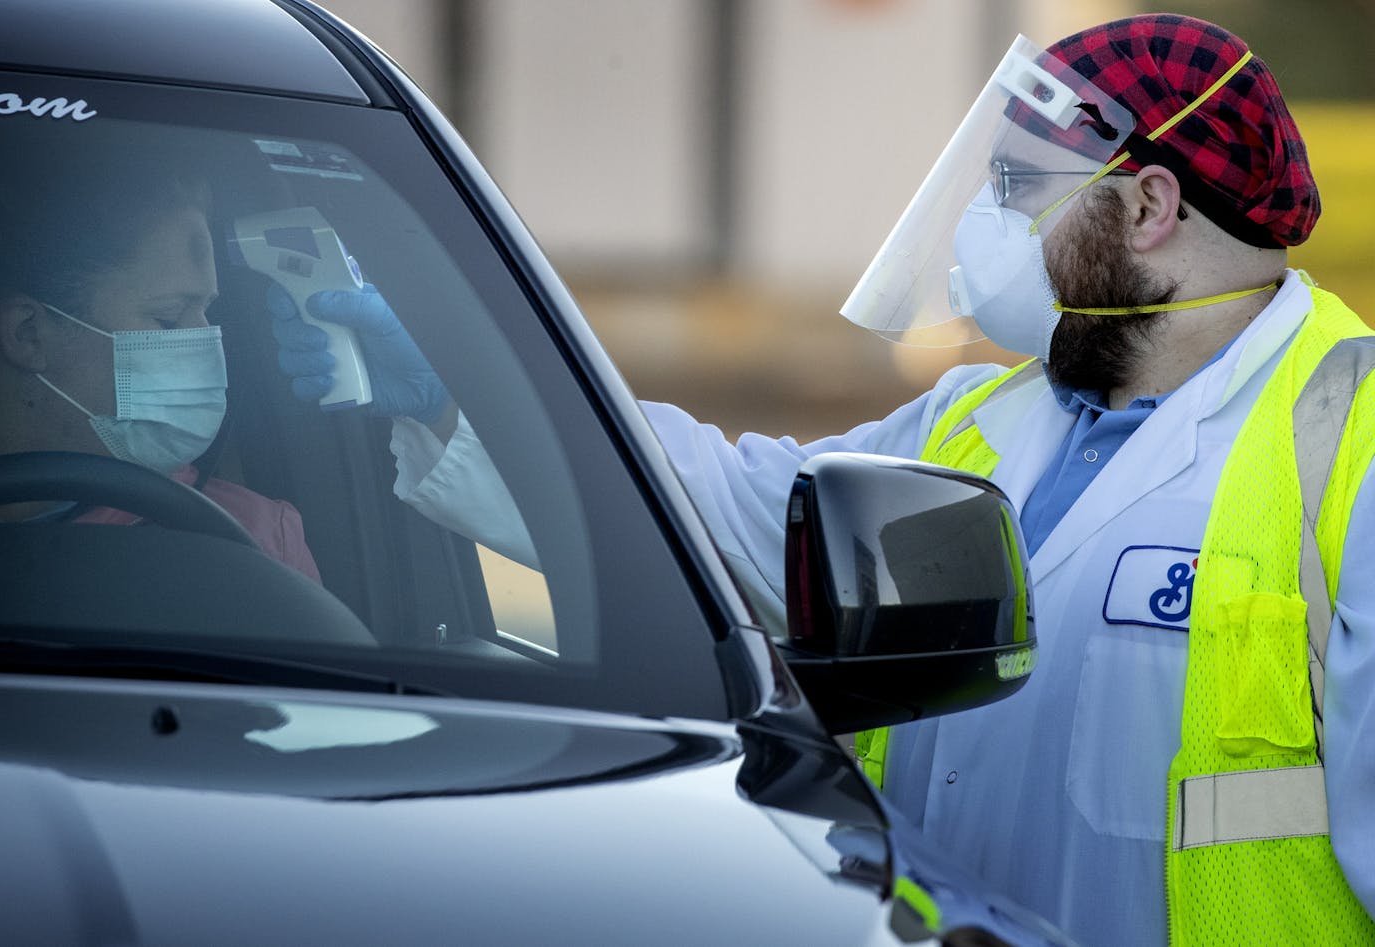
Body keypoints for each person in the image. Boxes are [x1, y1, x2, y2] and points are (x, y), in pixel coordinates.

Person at [270, 13, 1375, 944]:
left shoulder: (1350, 450)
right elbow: (711, 515)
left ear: (1145, 208)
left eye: (1020, 186)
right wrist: (473, 383)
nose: (985, 227)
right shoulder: (980, 418)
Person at [0, 151, 321, 580]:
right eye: (167, 317)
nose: (204, 342)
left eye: (206, 313)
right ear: (27, 333)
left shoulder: (258, 542)